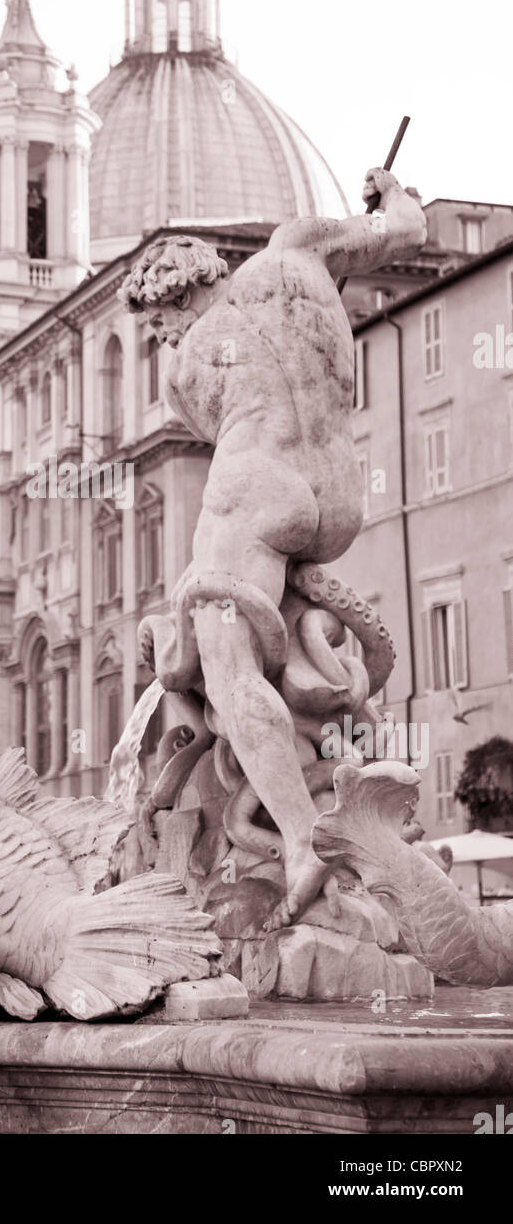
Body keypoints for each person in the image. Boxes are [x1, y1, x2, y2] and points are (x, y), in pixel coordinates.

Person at [119, 168, 427, 929]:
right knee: (241, 628)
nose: (159, 334)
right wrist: (388, 191)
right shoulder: (296, 252)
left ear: (173, 298)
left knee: (221, 662)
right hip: (335, 497)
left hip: (256, 489)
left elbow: (203, 420)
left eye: (156, 319)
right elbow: (409, 228)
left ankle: (297, 838)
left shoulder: (185, 365)